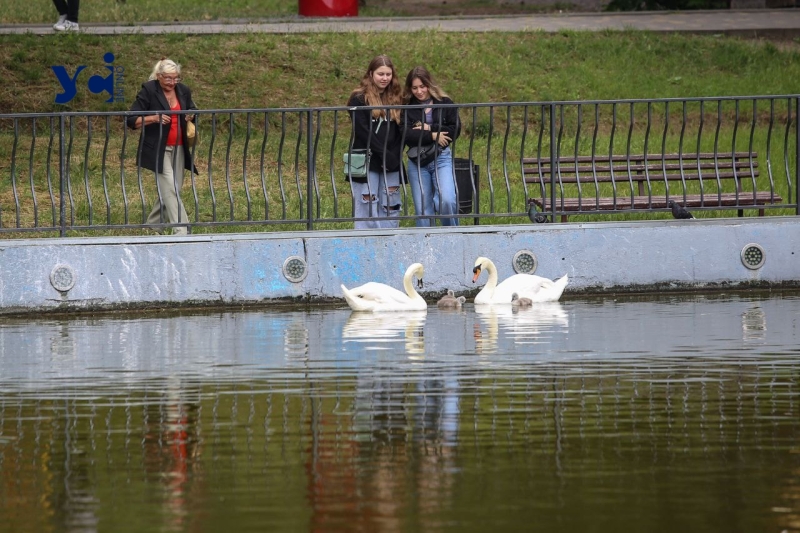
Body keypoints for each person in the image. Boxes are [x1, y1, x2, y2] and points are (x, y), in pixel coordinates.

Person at [127, 58, 198, 236]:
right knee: (170, 188)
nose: (172, 82)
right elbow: (131, 120)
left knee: (172, 189)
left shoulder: (183, 90)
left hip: (179, 147)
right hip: (158, 148)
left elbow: (192, 109)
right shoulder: (149, 90)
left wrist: (190, 115)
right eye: (168, 78)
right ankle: (182, 231)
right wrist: (154, 118)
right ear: (159, 76)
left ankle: (153, 224)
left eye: (176, 78)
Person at [346, 55, 404, 229]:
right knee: (367, 202)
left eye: (388, 74)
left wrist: (394, 154)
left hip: (391, 160)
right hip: (367, 159)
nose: (385, 78)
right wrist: (383, 153)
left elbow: (400, 129)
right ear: (371, 74)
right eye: (381, 74)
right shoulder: (358, 99)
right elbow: (364, 131)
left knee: (390, 203)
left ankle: (389, 240)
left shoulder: (396, 98)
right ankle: (366, 242)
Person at [402, 66, 461, 227]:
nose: (419, 91)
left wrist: (428, 128)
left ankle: (451, 237)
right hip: (417, 161)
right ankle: (426, 246)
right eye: (415, 88)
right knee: (423, 209)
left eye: (422, 86)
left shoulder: (445, 102)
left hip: (441, 157)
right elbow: (406, 134)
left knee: (447, 200)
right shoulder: (407, 106)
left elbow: (454, 130)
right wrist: (434, 135)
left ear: (429, 84)